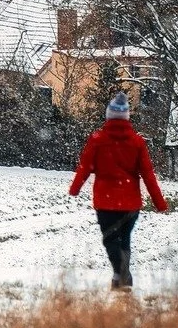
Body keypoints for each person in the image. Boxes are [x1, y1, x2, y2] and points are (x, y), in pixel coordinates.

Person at [68, 92, 168, 289]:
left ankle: (119, 275)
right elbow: (148, 174)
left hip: (105, 201)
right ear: (126, 116)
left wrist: (75, 188)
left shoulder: (97, 139)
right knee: (124, 240)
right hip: (130, 203)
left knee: (110, 239)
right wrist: (159, 202)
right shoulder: (137, 142)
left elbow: (85, 167)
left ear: (108, 115)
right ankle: (123, 277)